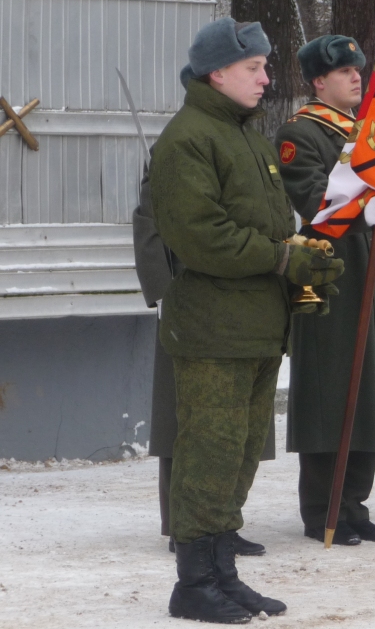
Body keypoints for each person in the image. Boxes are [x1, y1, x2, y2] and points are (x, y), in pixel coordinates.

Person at [151, 18, 344, 623]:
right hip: (213, 329)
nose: (266, 77)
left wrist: (303, 265)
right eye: (254, 68)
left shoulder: (246, 137)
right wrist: (285, 258)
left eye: (265, 66)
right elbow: (202, 237)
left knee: (236, 457)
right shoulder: (189, 139)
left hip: (255, 327)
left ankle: (221, 572)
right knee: (209, 453)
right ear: (218, 73)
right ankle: (193, 584)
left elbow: (268, 225)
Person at [275, 34, 375, 547]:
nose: (356, 77)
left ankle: (354, 502)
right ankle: (322, 506)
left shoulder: (368, 130)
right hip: (330, 273)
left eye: (358, 69)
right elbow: (312, 197)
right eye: (343, 72)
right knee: (332, 391)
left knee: (370, 389)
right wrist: (360, 210)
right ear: (318, 82)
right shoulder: (301, 132)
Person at [133, 158, 271, 558]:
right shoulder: (178, 145)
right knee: (185, 418)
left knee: (234, 421)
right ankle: (184, 525)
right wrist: (161, 291)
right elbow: (148, 220)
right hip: (189, 296)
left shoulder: (245, 144)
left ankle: (223, 520)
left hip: (241, 293)